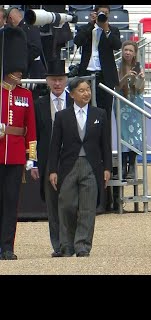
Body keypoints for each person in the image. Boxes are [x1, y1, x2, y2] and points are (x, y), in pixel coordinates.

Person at [48, 77, 112, 257]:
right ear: (72, 94)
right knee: (66, 205)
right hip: (68, 166)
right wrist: (53, 169)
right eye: (82, 90)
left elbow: (105, 144)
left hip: (91, 166)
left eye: (88, 90)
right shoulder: (62, 116)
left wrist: (107, 168)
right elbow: (55, 145)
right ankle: (66, 245)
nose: (86, 93)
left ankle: (82, 245)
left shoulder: (100, 114)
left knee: (88, 207)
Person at [0, 26, 37, 260]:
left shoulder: (26, 95)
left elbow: (30, 130)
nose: (20, 74)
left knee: (11, 204)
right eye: (16, 70)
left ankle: (7, 247)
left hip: (15, 157)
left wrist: (31, 158)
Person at [31, 59, 72, 257]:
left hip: (71, 160)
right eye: (54, 80)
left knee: (71, 203)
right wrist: (33, 162)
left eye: (60, 79)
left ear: (66, 81)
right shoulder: (38, 104)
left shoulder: (74, 101)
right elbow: (33, 135)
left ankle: (71, 242)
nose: (57, 84)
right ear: (47, 81)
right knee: (53, 205)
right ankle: (58, 245)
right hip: (48, 161)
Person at [73, 5, 122, 128]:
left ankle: (105, 144)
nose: (103, 15)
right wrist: (91, 24)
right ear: (95, 13)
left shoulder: (113, 30)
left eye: (105, 13)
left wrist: (106, 29)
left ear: (109, 15)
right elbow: (77, 41)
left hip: (105, 76)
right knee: (84, 109)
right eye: (101, 13)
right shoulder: (86, 28)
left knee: (105, 111)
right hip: (86, 75)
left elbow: (117, 45)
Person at [114, 40, 145, 179]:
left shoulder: (138, 66)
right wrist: (126, 76)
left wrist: (139, 79)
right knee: (123, 133)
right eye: (126, 50)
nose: (127, 52)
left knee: (135, 134)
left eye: (130, 51)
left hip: (135, 102)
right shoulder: (117, 66)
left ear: (135, 53)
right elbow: (116, 87)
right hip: (121, 102)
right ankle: (122, 166)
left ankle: (132, 166)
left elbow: (139, 89)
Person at [6, 6, 48, 99]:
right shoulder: (23, 28)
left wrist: (20, 61)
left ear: (10, 19)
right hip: (27, 72)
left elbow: (36, 49)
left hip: (32, 72)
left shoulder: (29, 27)